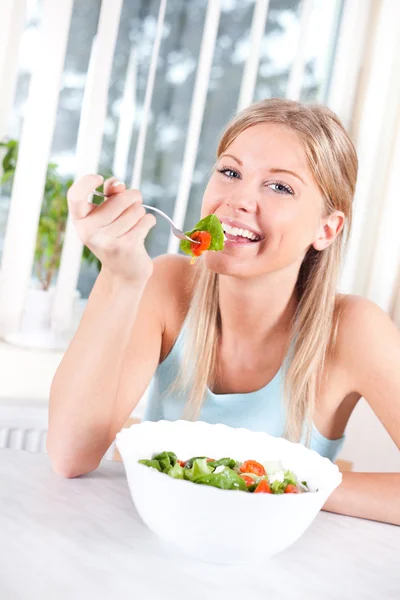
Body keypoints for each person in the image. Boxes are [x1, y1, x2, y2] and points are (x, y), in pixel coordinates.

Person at [47, 99, 400, 525]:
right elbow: (70, 455)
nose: (237, 200)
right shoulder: (167, 285)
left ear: (326, 229)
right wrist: (120, 277)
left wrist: (282, 486)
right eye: (230, 173)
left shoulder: (353, 330)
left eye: (280, 187)